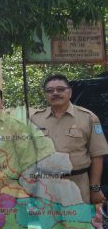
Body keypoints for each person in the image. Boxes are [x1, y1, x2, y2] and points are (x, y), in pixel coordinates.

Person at [32, 74, 108, 205]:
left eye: (60, 89)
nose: (55, 93)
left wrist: (95, 188)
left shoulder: (89, 118)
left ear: (70, 92)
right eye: (50, 90)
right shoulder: (35, 119)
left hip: (77, 185)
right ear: (46, 95)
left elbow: (97, 155)